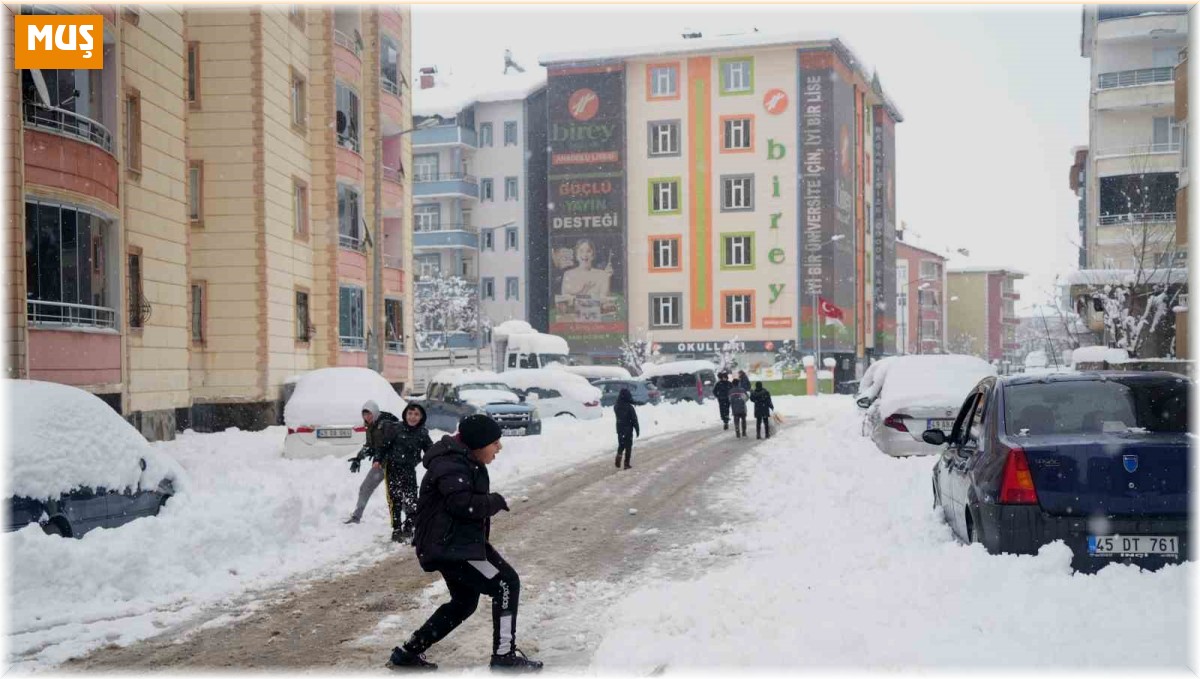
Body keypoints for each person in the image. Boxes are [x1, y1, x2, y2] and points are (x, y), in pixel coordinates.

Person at [388, 414, 543, 672]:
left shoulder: (460, 460)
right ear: (478, 443)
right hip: (452, 547)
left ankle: (408, 652)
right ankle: (504, 656)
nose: (499, 448)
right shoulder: (451, 465)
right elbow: (463, 504)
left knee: (464, 602)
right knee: (506, 583)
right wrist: (494, 501)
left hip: (455, 543)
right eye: (495, 442)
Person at [345, 400, 399, 530]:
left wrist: (379, 457)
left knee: (397, 493)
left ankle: (416, 516)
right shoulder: (371, 426)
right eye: (364, 414)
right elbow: (370, 446)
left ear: (375, 412)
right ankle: (356, 516)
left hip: (393, 463)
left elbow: (386, 445)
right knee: (365, 487)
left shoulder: (386, 424)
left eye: (369, 414)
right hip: (379, 464)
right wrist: (358, 458)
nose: (367, 417)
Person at [385, 403, 433, 541]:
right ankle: (396, 528)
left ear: (421, 417)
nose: (412, 417)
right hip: (393, 468)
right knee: (396, 499)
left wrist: (436, 462)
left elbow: (430, 450)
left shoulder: (422, 433)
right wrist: (377, 459)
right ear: (405, 415)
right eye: (410, 414)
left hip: (410, 469)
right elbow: (384, 446)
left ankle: (409, 526)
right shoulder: (395, 429)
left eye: (416, 414)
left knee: (412, 499)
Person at [614, 387, 640, 470]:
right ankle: (626, 463)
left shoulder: (616, 406)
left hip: (620, 428)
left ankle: (619, 455)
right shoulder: (629, 407)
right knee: (628, 446)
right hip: (628, 429)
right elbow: (634, 419)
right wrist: (637, 429)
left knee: (621, 444)